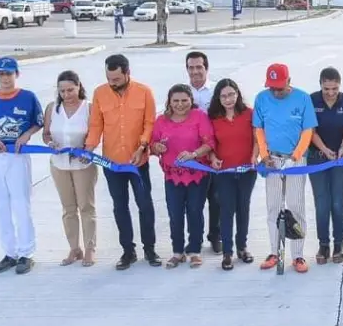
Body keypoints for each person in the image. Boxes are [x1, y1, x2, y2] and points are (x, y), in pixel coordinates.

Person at [84, 53, 161, 270]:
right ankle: (128, 251)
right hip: (112, 163)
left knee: (145, 205)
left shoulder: (144, 92)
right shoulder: (100, 93)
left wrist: (142, 146)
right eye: (109, 79)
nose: (112, 83)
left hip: (138, 162)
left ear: (128, 73)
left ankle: (150, 249)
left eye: (116, 79)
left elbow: (150, 123)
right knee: (120, 207)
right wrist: (88, 148)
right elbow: (96, 125)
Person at [0, 56, 43, 275]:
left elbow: (38, 122)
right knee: (0, 203)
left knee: (20, 203)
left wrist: (26, 135)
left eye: (9, 73)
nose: (5, 77)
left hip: (17, 154)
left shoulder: (27, 97)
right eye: (1, 73)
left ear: (17, 74)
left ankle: (26, 252)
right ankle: (10, 252)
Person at [253, 63, 317, 273]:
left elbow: (307, 130)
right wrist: (264, 155)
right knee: (273, 207)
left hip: (295, 161)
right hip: (272, 159)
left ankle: (297, 255)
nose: (276, 92)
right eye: (272, 87)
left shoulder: (302, 98)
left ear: (289, 81)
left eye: (280, 87)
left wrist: (296, 155)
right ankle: (274, 251)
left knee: (296, 206)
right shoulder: (262, 98)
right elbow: (259, 129)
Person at [151, 84, 215, 268]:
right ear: (169, 102)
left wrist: (193, 154)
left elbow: (209, 142)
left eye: (184, 100)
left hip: (197, 174)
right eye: (176, 101)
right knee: (175, 214)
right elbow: (153, 143)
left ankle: (194, 250)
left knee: (195, 212)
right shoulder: (161, 120)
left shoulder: (199, 116)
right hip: (172, 176)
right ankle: (177, 251)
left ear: (191, 101)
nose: (180, 104)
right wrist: (158, 147)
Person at [42, 70, 98, 267]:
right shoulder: (52, 108)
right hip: (59, 164)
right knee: (68, 208)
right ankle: (74, 248)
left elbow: (94, 134)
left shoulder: (89, 108)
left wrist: (86, 151)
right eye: (62, 91)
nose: (66, 94)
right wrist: (50, 144)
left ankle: (90, 248)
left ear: (79, 86)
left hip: (83, 165)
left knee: (86, 206)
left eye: (70, 90)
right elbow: (46, 134)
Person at [207, 78, 257, 270]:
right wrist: (212, 158)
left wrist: (254, 156)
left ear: (237, 94)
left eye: (231, 95)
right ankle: (227, 252)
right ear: (218, 98)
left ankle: (242, 247)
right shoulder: (213, 118)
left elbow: (256, 140)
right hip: (223, 172)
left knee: (243, 207)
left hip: (247, 171)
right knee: (227, 210)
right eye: (223, 96)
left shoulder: (249, 114)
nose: (228, 99)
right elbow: (210, 143)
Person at [308, 67, 343, 265]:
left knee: (337, 201)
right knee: (322, 202)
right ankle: (323, 244)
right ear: (320, 85)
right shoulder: (312, 100)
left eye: (335, 89)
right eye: (327, 89)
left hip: (341, 158)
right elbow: (310, 130)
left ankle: (338, 244)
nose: (331, 93)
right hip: (318, 157)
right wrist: (325, 150)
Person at [186, 51, 220, 253]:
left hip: (214, 153)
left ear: (206, 68)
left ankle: (215, 236)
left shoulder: (216, 91)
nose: (195, 71)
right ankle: (194, 239)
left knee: (216, 199)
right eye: (191, 67)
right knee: (194, 201)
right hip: (191, 156)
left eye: (199, 67)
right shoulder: (181, 93)